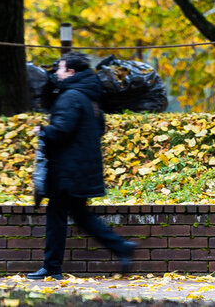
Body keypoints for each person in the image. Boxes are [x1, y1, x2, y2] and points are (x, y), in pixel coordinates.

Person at [27, 52, 136, 280]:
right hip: (81, 168)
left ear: (71, 72)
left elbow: (61, 131)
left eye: (60, 68)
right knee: (79, 215)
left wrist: (43, 130)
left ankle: (52, 267)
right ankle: (121, 247)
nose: (57, 72)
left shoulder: (71, 96)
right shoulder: (90, 96)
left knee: (57, 216)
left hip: (67, 170)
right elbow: (99, 129)